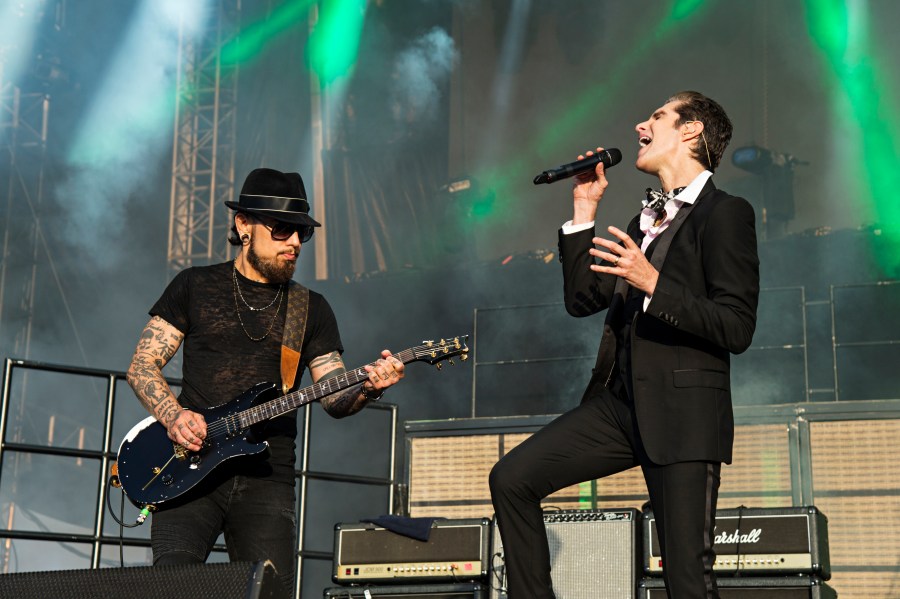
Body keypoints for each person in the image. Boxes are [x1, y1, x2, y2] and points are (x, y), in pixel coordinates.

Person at [489, 91, 759, 598]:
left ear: (691, 131)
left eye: (657, 116)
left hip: (683, 414)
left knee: (687, 579)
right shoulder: (643, 221)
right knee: (512, 479)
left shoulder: (726, 214)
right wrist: (584, 206)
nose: (640, 123)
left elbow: (736, 326)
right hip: (619, 406)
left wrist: (653, 282)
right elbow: (583, 300)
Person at [126, 167, 405, 594]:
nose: (294, 242)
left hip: (266, 476)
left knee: (268, 591)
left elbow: (333, 396)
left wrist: (369, 386)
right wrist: (174, 415)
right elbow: (142, 365)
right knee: (173, 585)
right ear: (243, 225)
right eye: (281, 230)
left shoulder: (311, 309)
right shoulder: (195, 286)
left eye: (301, 234)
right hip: (188, 463)